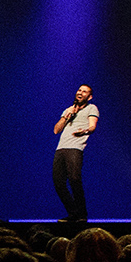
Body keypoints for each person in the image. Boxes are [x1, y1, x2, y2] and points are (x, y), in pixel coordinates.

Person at [51, 84, 99, 224]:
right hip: (61, 148)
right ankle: (73, 213)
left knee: (74, 179)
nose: (80, 93)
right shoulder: (68, 110)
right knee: (58, 182)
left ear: (89, 97)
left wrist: (83, 131)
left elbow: (92, 127)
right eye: (79, 90)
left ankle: (82, 214)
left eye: (84, 92)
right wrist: (67, 116)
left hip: (75, 148)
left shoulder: (91, 108)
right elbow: (56, 130)